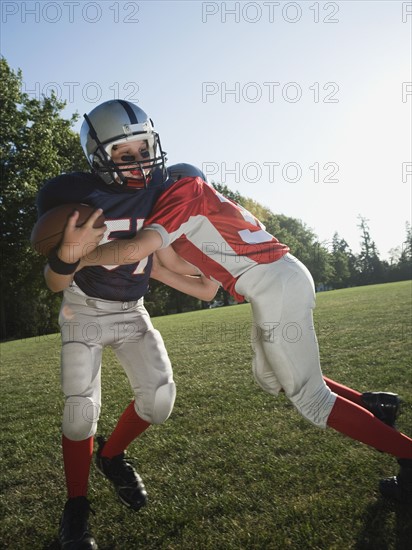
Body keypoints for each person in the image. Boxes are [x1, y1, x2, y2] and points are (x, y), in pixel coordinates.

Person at [76, 169, 412, 506]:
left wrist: (78, 257)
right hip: (278, 283)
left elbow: (135, 249)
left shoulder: (185, 192)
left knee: (311, 399)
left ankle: (408, 454)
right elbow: (204, 288)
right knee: (269, 378)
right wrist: (156, 268)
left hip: (277, 288)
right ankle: (372, 405)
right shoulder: (207, 220)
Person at [36, 99, 218, 550]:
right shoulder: (73, 196)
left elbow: (165, 259)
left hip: (133, 310)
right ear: (100, 157)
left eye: (145, 148)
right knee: (80, 411)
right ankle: (76, 507)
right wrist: (68, 253)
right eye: (125, 154)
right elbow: (55, 281)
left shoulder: (168, 186)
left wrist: (210, 273)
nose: (141, 162)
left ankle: (112, 456)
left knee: (159, 401)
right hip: (85, 310)